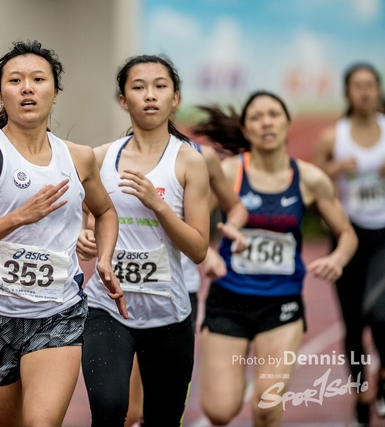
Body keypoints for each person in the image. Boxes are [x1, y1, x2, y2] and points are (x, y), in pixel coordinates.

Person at [0, 40, 127, 427]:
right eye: (15, 80)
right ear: (1, 94)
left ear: (54, 93)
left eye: (38, 79)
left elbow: (106, 211)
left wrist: (105, 259)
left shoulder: (78, 157)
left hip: (57, 313)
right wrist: (18, 218)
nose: (27, 87)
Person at [194, 91, 358, 427]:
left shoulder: (310, 179)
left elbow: (347, 233)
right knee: (219, 411)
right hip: (229, 299)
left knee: (267, 407)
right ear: (245, 128)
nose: (266, 122)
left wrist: (338, 259)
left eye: (273, 114)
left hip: (281, 303)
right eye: (256, 117)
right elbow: (190, 227)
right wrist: (207, 254)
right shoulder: (227, 172)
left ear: (286, 123)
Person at [76, 54, 210, 426]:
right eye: (138, 87)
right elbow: (88, 218)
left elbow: (198, 249)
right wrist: (84, 236)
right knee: (109, 408)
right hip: (105, 306)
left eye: (160, 86)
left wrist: (158, 204)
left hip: (167, 312)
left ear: (175, 98)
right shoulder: (101, 158)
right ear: (123, 100)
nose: (150, 95)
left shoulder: (189, 162)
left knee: (163, 418)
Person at [312, 62, 385, 427]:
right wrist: (336, 169)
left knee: (383, 317)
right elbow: (311, 181)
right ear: (347, 92)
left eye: (370, 85)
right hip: (347, 236)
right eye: (358, 86)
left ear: (378, 89)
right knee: (353, 324)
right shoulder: (333, 137)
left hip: (384, 236)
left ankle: (382, 381)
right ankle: (360, 396)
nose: (365, 92)